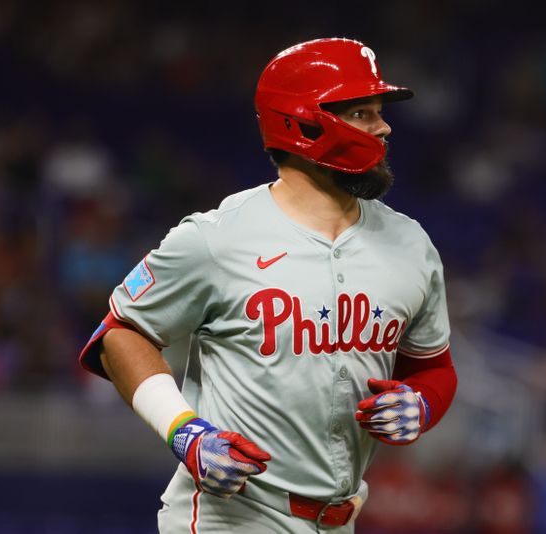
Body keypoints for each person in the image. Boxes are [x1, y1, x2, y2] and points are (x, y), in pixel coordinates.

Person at [79, 37, 458, 533]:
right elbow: (119, 335)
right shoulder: (217, 238)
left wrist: (422, 402)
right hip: (232, 516)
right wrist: (185, 433)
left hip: (341, 519)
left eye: (379, 111)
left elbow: (434, 368)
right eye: (363, 112)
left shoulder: (411, 244)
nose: (383, 127)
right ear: (303, 122)